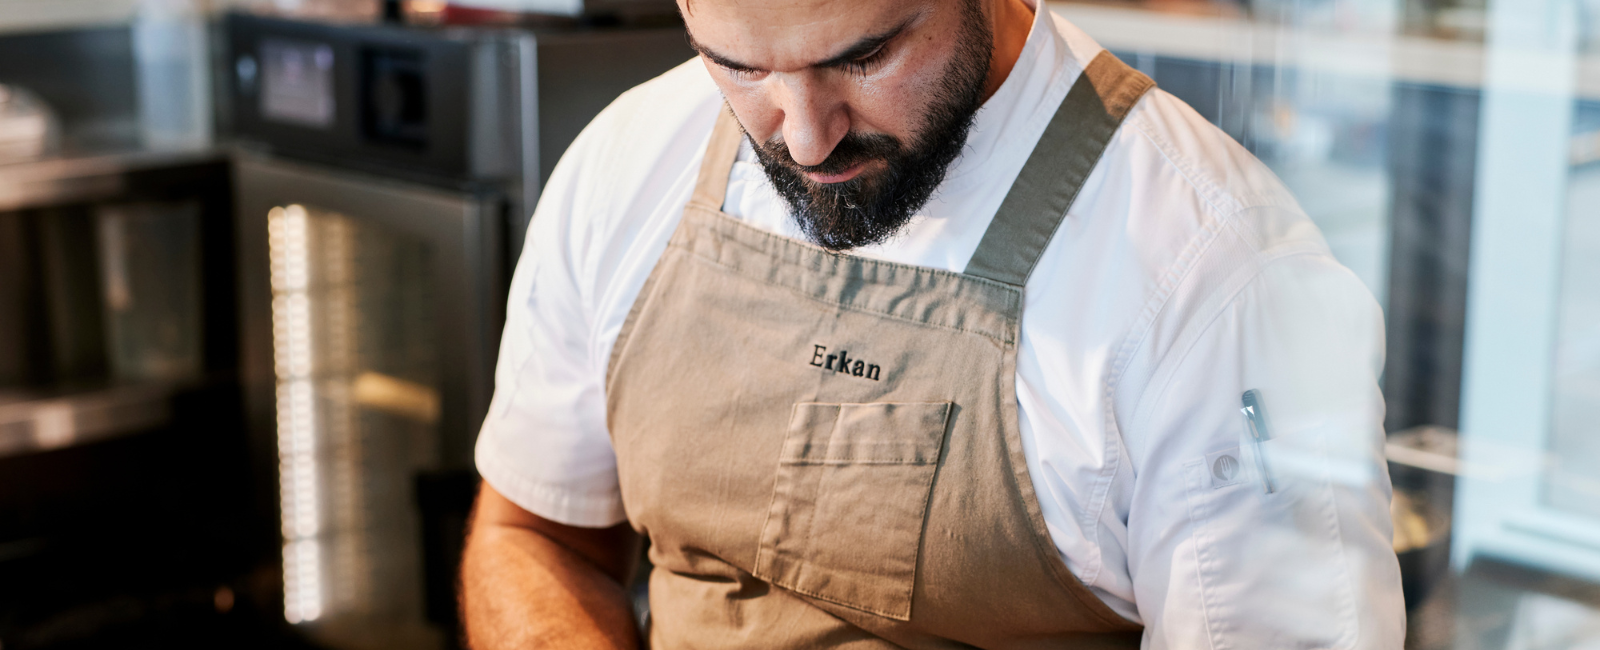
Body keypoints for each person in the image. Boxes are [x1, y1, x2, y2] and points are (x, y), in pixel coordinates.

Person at [460, 0, 1406, 647]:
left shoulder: (1217, 275)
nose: (802, 136)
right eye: (738, 65)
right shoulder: (630, 160)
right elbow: (534, 534)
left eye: (863, 57)